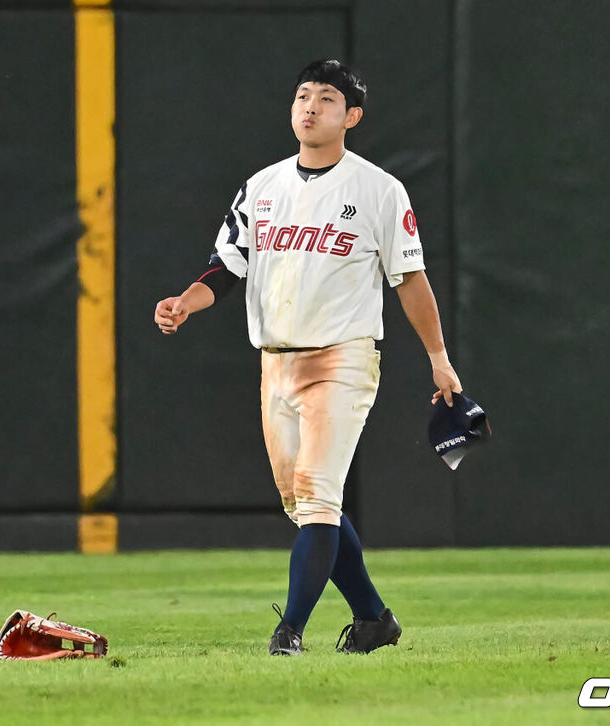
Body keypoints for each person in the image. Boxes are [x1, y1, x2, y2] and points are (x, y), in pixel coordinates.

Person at [153, 59, 462, 655]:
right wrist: (185, 303)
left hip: (343, 359)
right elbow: (227, 267)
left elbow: (410, 279)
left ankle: (289, 631)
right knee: (303, 502)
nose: (310, 106)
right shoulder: (262, 186)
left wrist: (438, 357)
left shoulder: (378, 189)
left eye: (326, 98)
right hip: (276, 362)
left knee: (317, 494)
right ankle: (373, 618)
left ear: (352, 116)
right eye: (301, 95)